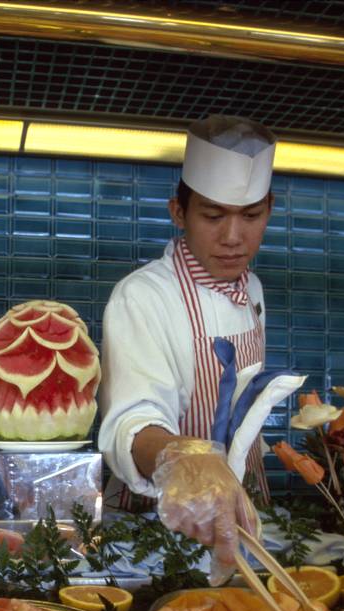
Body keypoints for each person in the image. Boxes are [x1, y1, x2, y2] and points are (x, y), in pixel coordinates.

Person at [98, 115, 276, 583]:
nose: (233, 237)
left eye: (251, 216)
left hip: (243, 527)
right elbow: (130, 422)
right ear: (179, 211)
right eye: (213, 216)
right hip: (151, 535)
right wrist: (187, 457)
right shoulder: (143, 295)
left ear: (269, 209)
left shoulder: (253, 289)